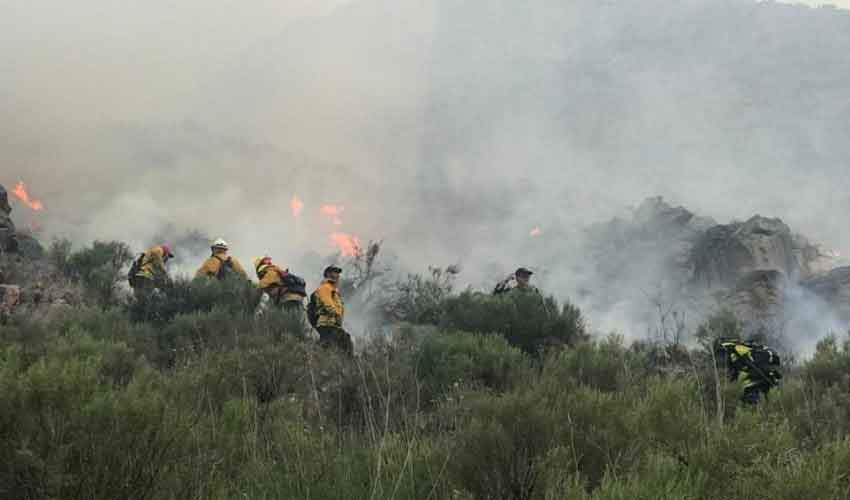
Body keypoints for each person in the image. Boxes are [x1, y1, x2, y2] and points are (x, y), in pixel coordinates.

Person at [714, 339, 782, 404]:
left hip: (759, 375)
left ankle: (755, 404)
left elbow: (746, 364)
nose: (719, 361)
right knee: (762, 394)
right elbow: (735, 371)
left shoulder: (733, 349)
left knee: (750, 394)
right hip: (762, 375)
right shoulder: (737, 350)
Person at [308, 265, 353, 355]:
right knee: (328, 347)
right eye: (335, 272)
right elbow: (327, 304)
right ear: (328, 274)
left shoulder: (334, 290)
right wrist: (337, 315)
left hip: (333, 324)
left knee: (345, 343)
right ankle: (313, 359)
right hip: (326, 323)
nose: (337, 275)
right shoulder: (325, 287)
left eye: (338, 273)